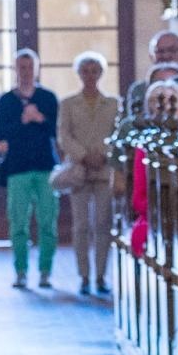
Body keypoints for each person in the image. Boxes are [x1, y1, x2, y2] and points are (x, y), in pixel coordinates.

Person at [0, 49, 61, 289]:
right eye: (21, 67)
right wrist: (23, 121)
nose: (25, 72)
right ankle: (21, 271)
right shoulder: (6, 101)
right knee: (18, 223)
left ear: (36, 69)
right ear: (16, 70)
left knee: (47, 221)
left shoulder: (48, 98)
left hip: (45, 166)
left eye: (29, 67)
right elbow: (1, 135)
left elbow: (57, 130)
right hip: (17, 168)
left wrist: (40, 119)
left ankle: (45, 270)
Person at [58, 52, 120, 295]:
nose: (90, 76)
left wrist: (103, 153)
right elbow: (64, 135)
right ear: (79, 73)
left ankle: (101, 275)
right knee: (81, 224)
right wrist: (83, 155)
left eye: (94, 71)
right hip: (79, 170)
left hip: (104, 170)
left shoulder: (113, 104)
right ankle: (84, 275)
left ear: (101, 74)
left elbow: (117, 135)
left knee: (103, 224)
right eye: (85, 71)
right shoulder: (68, 104)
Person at [129, 79, 178, 251]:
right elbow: (139, 199)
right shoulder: (145, 146)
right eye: (158, 101)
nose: (167, 107)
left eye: (173, 101)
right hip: (157, 216)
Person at [127, 29, 178, 112]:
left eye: (172, 50)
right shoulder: (139, 90)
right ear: (151, 56)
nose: (166, 56)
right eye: (160, 51)